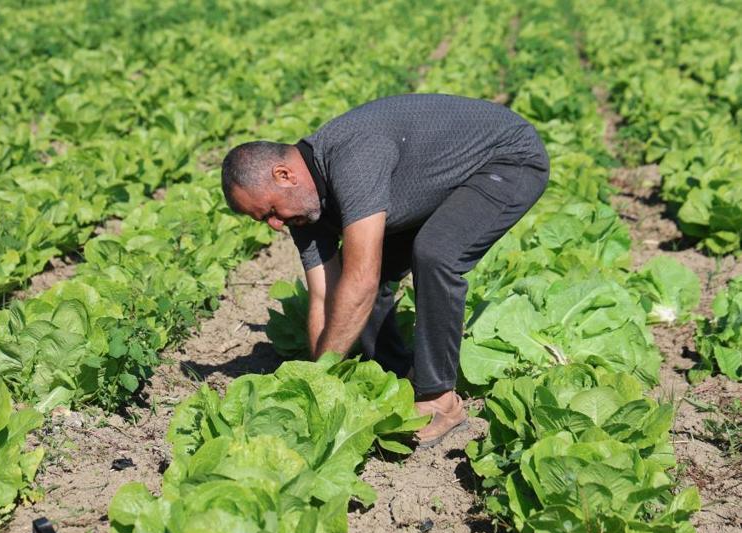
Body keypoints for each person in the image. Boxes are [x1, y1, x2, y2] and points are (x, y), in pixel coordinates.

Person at [221, 93, 549, 447]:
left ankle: (439, 400)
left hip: (507, 159)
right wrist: (313, 383)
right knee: (353, 287)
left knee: (435, 253)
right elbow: (324, 297)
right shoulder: (302, 210)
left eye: (270, 211)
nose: (274, 225)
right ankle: (400, 378)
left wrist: (321, 377)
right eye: (264, 220)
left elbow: (361, 282)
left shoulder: (353, 159)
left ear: (284, 175)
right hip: (438, 178)